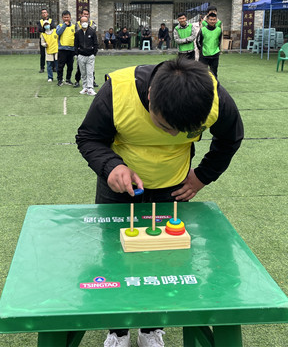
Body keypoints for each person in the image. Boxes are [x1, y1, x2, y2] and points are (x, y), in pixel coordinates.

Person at [75, 57, 244, 347]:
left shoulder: (214, 97)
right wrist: (111, 166)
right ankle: (118, 330)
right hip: (120, 187)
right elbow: (89, 137)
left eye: (184, 130)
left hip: (172, 190)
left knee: (167, 259)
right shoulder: (117, 92)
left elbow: (231, 138)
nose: (174, 135)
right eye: (166, 126)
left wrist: (202, 176)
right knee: (116, 258)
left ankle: (152, 328)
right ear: (151, 96)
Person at [74, 14, 98, 96]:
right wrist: (77, 54)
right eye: (82, 21)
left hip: (90, 56)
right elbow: (75, 44)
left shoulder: (92, 32)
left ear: (88, 22)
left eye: (86, 21)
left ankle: (90, 88)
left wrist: (94, 54)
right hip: (81, 56)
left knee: (90, 72)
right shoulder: (77, 33)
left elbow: (96, 44)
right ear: (80, 23)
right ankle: (85, 87)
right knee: (83, 73)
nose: (84, 23)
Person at [196, 11, 222, 78]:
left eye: (214, 20)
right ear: (207, 20)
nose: (212, 21)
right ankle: (202, 87)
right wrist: (201, 50)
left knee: (214, 73)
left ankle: (214, 87)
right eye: (211, 19)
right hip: (204, 55)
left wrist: (218, 50)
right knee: (202, 73)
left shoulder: (219, 30)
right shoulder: (203, 30)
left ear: (216, 20)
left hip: (215, 54)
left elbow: (219, 41)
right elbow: (198, 41)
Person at [55, 10, 76, 86]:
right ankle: (60, 80)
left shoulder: (74, 26)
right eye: (65, 17)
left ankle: (68, 79)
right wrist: (64, 25)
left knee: (70, 66)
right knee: (60, 66)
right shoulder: (60, 26)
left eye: (67, 17)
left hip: (71, 49)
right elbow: (58, 33)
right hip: (62, 49)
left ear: (70, 17)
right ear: (62, 18)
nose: (66, 19)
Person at [37, 8, 54, 74]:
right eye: (43, 13)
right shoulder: (39, 21)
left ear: (47, 13)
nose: (44, 14)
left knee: (52, 53)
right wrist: (46, 29)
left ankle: (54, 67)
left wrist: (43, 28)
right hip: (43, 39)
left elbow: (53, 27)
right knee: (42, 54)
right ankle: (42, 68)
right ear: (41, 14)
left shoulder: (51, 20)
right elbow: (39, 29)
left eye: (45, 12)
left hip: (51, 39)